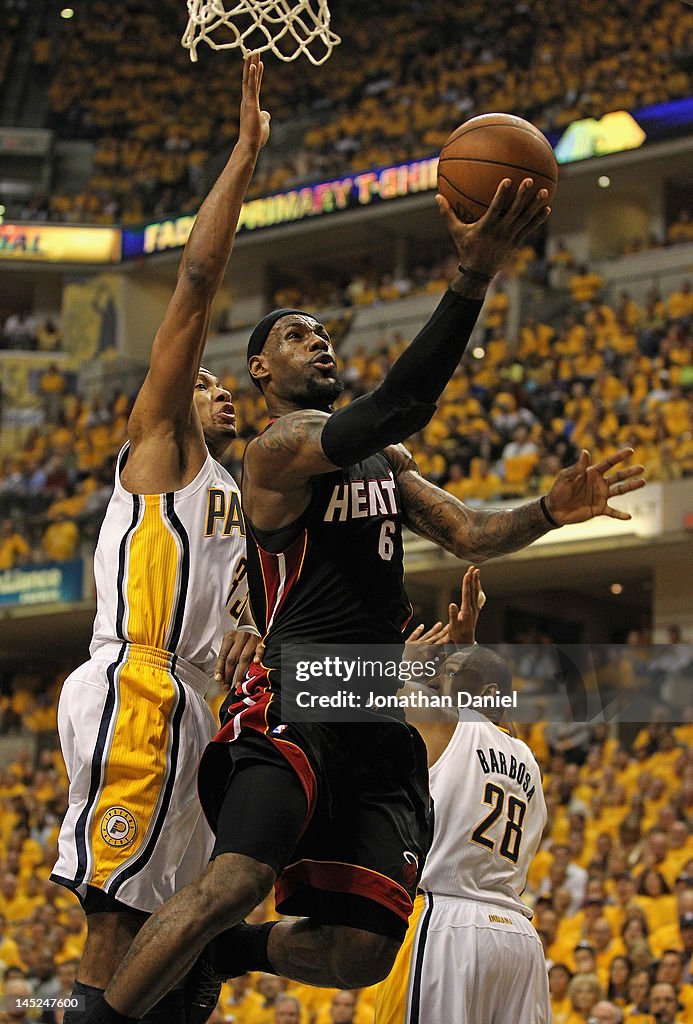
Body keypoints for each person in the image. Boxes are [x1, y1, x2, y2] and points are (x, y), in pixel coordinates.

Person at [83, 159, 646, 1024]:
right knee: (233, 880)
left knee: (359, 951)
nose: (319, 342)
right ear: (260, 372)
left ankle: (225, 956)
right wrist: (473, 274)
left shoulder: (380, 464)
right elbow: (396, 407)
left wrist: (548, 508)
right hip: (299, 688)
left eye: (323, 333)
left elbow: (471, 533)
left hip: (374, 702)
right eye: (297, 335)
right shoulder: (276, 451)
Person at [49, 54, 270, 1024]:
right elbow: (195, 277)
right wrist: (244, 156)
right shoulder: (165, 446)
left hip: (190, 703)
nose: (219, 389)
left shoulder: (236, 494)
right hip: (137, 682)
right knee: (113, 926)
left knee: (160, 938)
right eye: (209, 380)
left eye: (228, 386)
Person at [375, 568, 550, 1023]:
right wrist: (468, 649)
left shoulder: (445, 724)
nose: (438, 680)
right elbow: (496, 716)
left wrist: (401, 661)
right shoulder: (527, 757)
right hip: (518, 939)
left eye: (448, 673)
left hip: (447, 922)